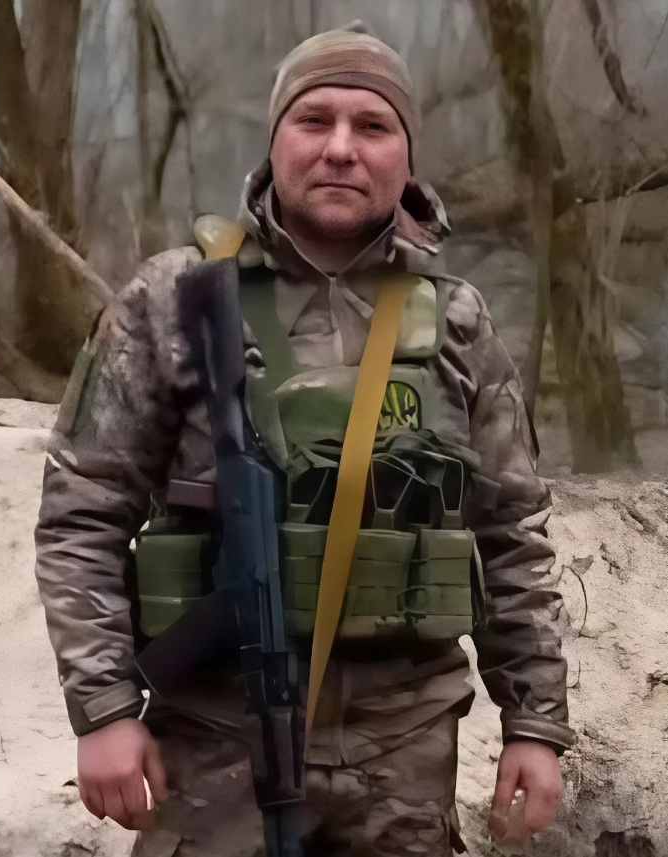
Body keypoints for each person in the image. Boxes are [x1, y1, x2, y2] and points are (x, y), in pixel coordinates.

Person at [34, 26, 575, 857]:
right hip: (215, 742)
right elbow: (82, 511)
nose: (340, 148)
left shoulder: (457, 321)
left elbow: (511, 534)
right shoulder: (177, 296)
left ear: (405, 155)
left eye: (372, 126)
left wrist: (533, 724)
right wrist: (104, 708)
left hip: (402, 750)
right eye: (313, 120)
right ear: (275, 139)